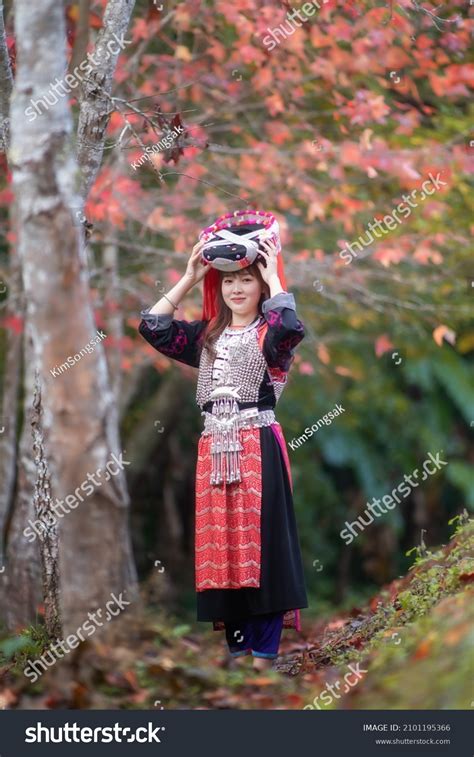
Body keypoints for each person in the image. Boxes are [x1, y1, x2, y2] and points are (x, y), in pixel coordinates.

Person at [138, 211, 308, 671]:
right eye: (229, 280)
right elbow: (153, 328)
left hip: (258, 445)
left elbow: (291, 327)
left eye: (247, 280)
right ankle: (237, 654)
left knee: (262, 548)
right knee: (223, 552)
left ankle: (264, 658)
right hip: (213, 450)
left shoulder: (272, 335)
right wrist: (189, 278)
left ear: (260, 286)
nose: (236, 288)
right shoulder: (206, 335)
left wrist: (275, 278)